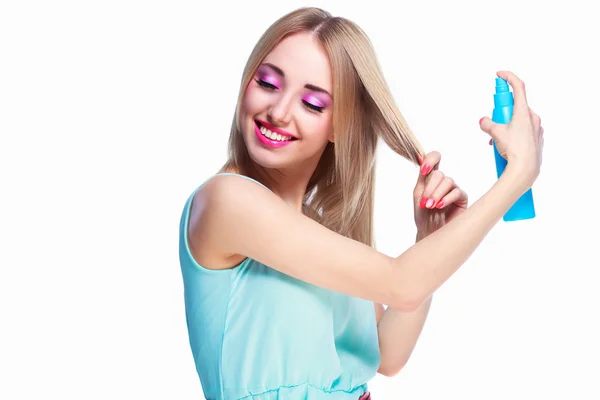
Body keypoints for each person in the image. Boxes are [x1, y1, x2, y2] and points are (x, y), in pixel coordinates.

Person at [178, 7, 544, 400]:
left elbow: (388, 355)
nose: (278, 112)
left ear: (339, 125)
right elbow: (403, 284)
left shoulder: (319, 227)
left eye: (313, 104)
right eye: (267, 83)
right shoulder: (227, 200)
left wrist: (427, 239)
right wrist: (518, 176)